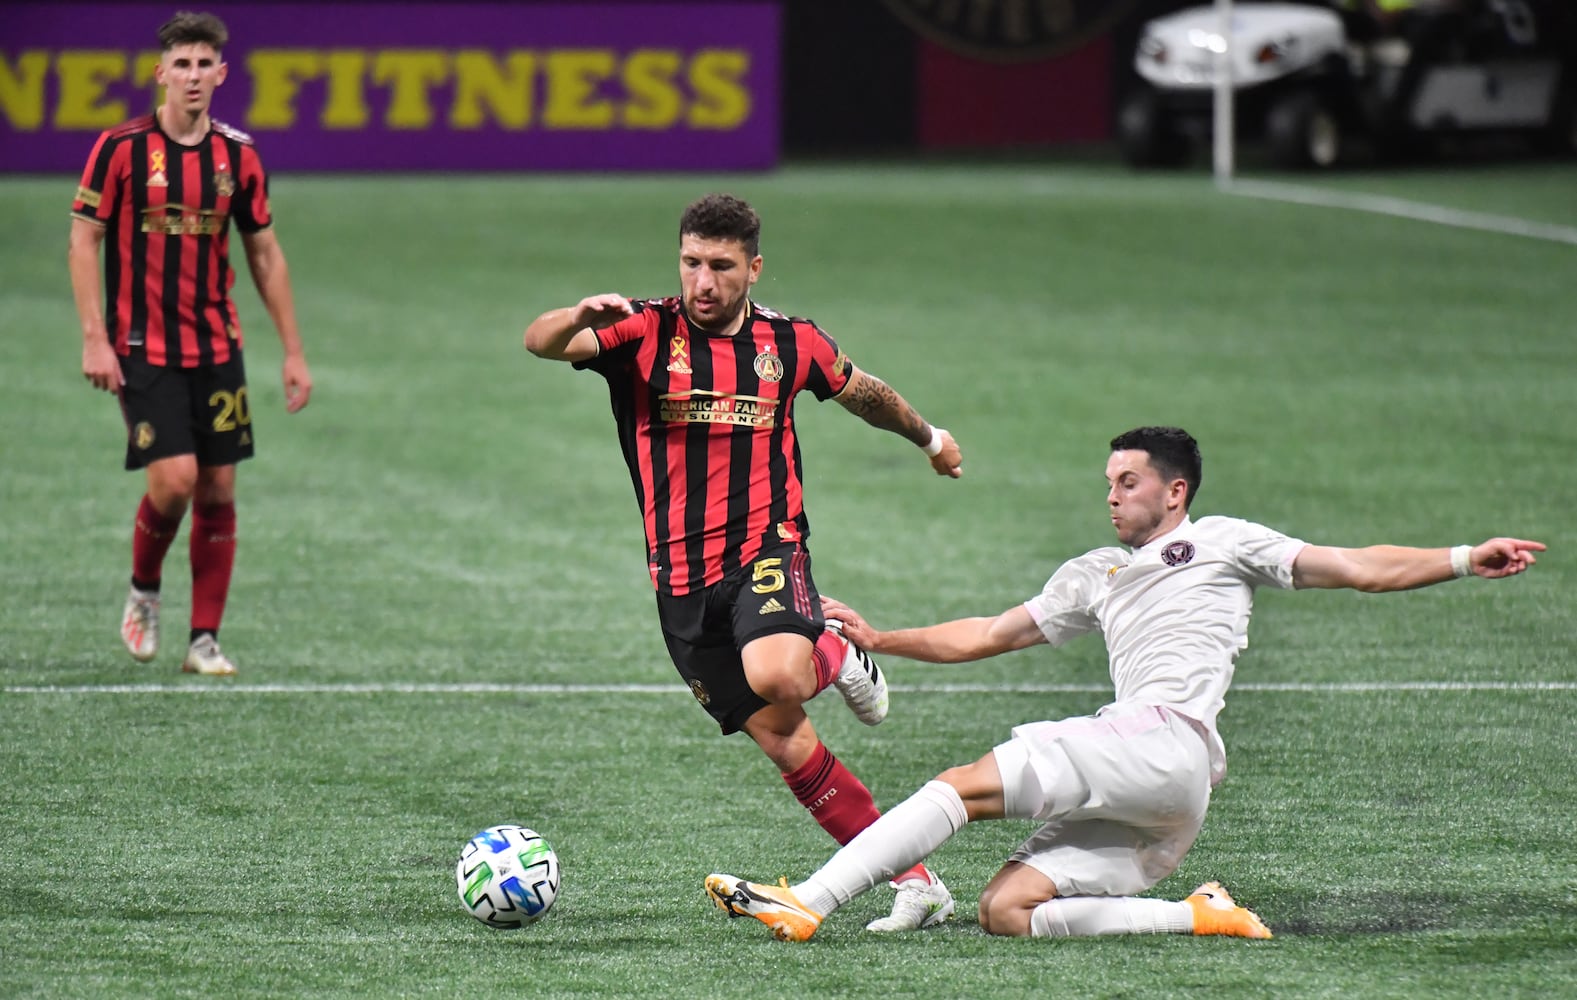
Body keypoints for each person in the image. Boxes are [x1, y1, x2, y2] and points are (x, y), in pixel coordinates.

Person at [706, 425, 1544, 942]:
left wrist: (1464, 559)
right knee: (1007, 910)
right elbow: (993, 634)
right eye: (1107, 482)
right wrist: (882, 637)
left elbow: (1355, 566)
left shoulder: (1220, 540)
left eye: (1128, 481)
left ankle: (808, 903)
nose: (1111, 495)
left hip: (1157, 736)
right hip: (1167, 789)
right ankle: (1201, 914)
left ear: (1175, 492)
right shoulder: (1095, 573)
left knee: (960, 788)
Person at [524, 193, 964, 931]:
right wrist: (576, 317)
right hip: (679, 587)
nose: (703, 282)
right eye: (692, 263)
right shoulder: (638, 330)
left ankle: (832, 651)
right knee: (788, 741)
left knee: (779, 674)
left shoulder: (789, 343)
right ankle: (917, 884)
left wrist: (929, 438)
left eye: (721, 267)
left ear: (753, 268)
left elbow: (866, 395)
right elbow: (538, 342)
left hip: (766, 549)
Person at [69, 11, 312, 676]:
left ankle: (204, 639)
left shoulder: (239, 155)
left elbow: (264, 252)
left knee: (219, 489)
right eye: (182, 64)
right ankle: (145, 589)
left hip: (216, 346)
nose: (194, 76)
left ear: (222, 73)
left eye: (205, 64)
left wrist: (292, 350)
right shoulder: (120, 149)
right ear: (161, 72)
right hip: (142, 346)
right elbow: (83, 239)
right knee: (175, 482)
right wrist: (95, 338)